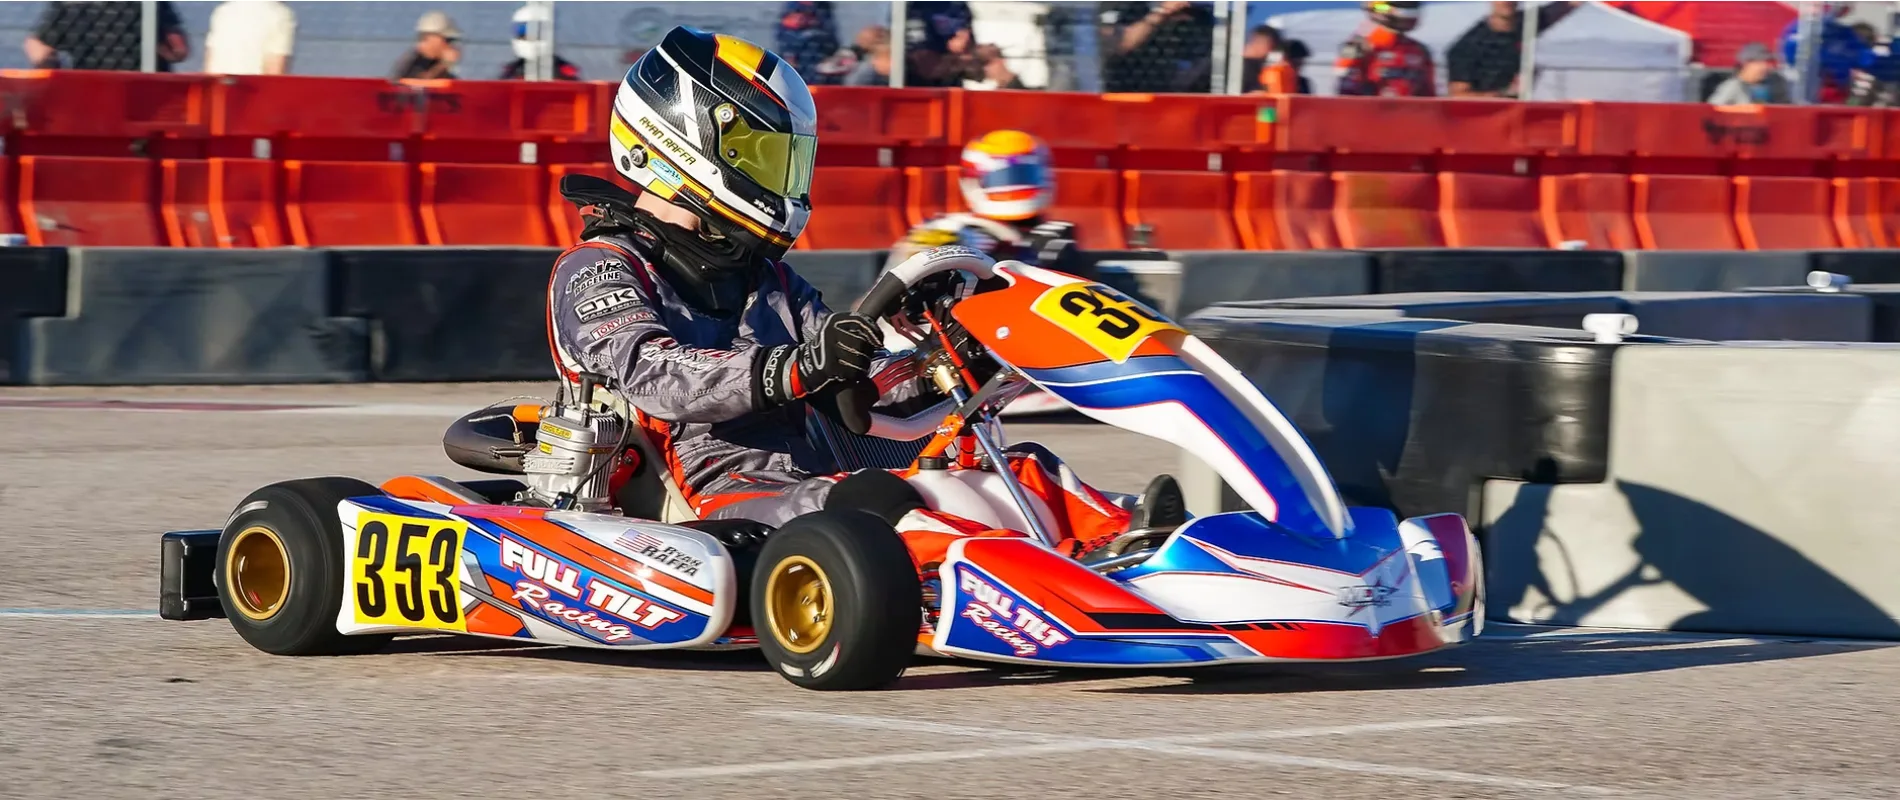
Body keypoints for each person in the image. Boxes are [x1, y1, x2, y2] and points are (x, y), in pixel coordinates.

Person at [548, 26, 1171, 556]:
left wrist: (937, 361)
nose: (777, 179)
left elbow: (855, 376)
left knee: (1007, 468)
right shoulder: (600, 267)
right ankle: (1025, 578)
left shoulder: (766, 280)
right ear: (681, 144)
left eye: (783, 160)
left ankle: (1134, 541)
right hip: (714, 501)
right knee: (870, 506)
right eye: (760, 157)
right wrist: (791, 368)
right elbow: (655, 373)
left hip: (819, 473)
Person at [886, 130, 1080, 273]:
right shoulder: (946, 232)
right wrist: (1012, 260)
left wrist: (1062, 268)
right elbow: (910, 300)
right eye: (1002, 177)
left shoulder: (1051, 238)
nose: (1012, 187)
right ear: (973, 180)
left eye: (1025, 174)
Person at [1446, 1, 1578, 98]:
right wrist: (1505, 94)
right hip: (1480, 120)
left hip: (1515, 116)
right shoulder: (1467, 47)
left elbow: (1567, 5)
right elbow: (1458, 96)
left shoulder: (1526, 24)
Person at [25, 0, 188, 72]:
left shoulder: (70, 4)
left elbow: (38, 46)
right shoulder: (150, 3)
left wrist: (52, 67)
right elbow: (178, 49)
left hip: (89, 93)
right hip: (144, 96)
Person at [1099, 1, 1216, 93]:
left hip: (1187, 91)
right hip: (1132, 88)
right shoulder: (1123, 5)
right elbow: (1121, 44)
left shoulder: (1200, 11)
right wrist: (1162, 12)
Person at [1335, 0, 1434, 97]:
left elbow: (1429, 94)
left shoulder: (1420, 50)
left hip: (1412, 110)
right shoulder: (1360, 45)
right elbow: (1346, 92)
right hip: (1370, 109)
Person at [204, 0, 296, 76]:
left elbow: (210, 64)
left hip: (219, 90)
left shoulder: (223, 11)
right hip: (253, 90)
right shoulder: (281, 15)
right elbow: (275, 71)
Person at [499, 4, 580, 81]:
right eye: (522, 30)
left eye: (536, 31)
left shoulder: (566, 73)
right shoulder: (510, 73)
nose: (529, 36)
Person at [1708, 42, 1792, 105]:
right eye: (1760, 62)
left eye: (1768, 63)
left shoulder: (1775, 86)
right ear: (1746, 64)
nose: (1766, 67)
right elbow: (1712, 111)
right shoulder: (1732, 87)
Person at [392, 11, 461, 80]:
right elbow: (418, 85)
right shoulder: (412, 61)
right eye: (447, 40)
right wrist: (443, 65)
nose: (449, 46)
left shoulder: (437, 62)